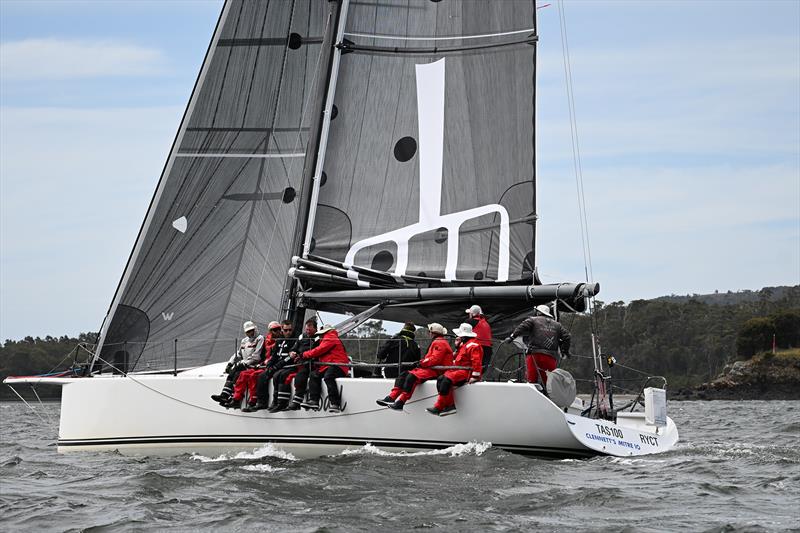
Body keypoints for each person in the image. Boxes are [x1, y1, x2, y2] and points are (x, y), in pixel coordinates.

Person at [376, 323, 453, 411]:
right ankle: (391, 397)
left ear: (433, 333)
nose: (429, 333)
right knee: (404, 374)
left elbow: (435, 359)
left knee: (411, 377)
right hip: (432, 368)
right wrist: (421, 362)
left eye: (429, 331)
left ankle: (401, 402)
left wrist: (421, 363)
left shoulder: (439, 342)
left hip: (436, 370)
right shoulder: (438, 342)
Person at [504, 304, 571, 387]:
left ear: (538, 312)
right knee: (549, 383)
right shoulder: (557, 325)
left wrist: (511, 337)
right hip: (550, 357)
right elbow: (567, 337)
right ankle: (548, 398)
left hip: (534, 355)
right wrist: (565, 351)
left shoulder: (533, 320)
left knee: (531, 380)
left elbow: (522, 327)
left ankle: (531, 397)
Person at [289, 324, 350, 412]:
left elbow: (319, 350)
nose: (320, 335)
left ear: (326, 332)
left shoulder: (330, 337)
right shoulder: (327, 338)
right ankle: (314, 400)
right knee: (314, 375)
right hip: (329, 365)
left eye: (321, 333)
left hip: (338, 365)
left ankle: (335, 403)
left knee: (329, 376)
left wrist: (303, 355)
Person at [426, 323, 483, 416]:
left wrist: (475, 376)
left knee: (445, 381)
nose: (458, 336)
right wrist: (457, 348)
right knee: (441, 379)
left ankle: (441, 406)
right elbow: (458, 357)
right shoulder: (465, 345)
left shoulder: (473, 345)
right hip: (459, 371)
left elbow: (476, 362)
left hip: (466, 372)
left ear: (464, 336)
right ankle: (447, 406)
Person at [243, 320, 295, 412]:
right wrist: (270, 365)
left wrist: (276, 366)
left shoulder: (294, 341)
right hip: (278, 365)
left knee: (277, 376)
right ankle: (262, 403)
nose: (288, 332)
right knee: (262, 376)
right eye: (286, 330)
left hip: (288, 366)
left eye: (290, 330)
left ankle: (279, 403)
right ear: (282, 330)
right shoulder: (279, 341)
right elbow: (274, 355)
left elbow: (289, 358)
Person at [268, 319, 318, 412]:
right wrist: (292, 352)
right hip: (297, 362)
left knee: (289, 375)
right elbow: (293, 348)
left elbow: (316, 351)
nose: (307, 332)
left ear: (315, 329)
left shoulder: (318, 338)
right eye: (306, 330)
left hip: (306, 364)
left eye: (309, 330)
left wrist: (301, 355)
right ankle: (275, 402)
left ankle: (288, 403)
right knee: (274, 375)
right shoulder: (300, 337)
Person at [210, 321, 265, 405]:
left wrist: (244, 363)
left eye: (251, 330)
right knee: (232, 373)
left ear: (255, 329)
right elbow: (238, 354)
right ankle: (224, 395)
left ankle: (231, 397)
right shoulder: (244, 341)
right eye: (247, 331)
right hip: (244, 364)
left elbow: (256, 356)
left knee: (236, 374)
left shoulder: (260, 338)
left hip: (253, 365)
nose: (250, 333)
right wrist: (230, 363)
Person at [465, 304, 493, 370]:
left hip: (476, 349)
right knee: (481, 369)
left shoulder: (469, 322)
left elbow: (463, 336)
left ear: (472, 314)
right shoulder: (486, 323)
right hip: (488, 350)